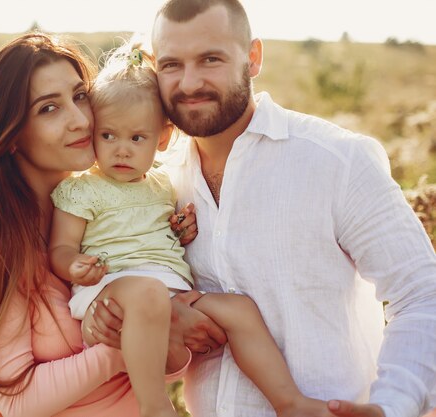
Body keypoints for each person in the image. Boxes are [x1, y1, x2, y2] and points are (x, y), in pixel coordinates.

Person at [147, 0, 436, 416]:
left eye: (210, 59)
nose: (189, 83)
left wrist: (393, 405)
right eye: (172, 65)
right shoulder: (157, 182)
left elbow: (421, 293)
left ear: (253, 57)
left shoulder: (337, 161)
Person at [49, 41, 337, 417]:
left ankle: (290, 402)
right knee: (147, 293)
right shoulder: (83, 188)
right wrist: (73, 265)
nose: (121, 150)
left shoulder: (163, 185)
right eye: (108, 136)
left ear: (162, 138)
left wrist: (181, 230)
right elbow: (60, 248)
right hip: (109, 294)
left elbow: (165, 234)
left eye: (137, 138)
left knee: (239, 309)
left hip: (168, 294)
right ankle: (155, 407)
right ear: (93, 133)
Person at [0, 32, 194, 417]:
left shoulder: (102, 198)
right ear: (10, 135)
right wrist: (121, 342)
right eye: (49, 109)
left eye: (80, 96)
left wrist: (160, 329)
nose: (80, 120)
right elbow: (18, 402)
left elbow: (165, 371)